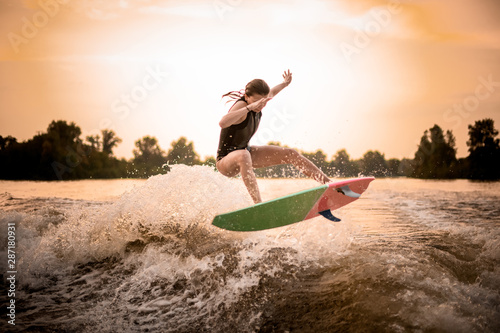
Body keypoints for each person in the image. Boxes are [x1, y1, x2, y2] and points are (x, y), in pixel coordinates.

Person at [216, 70, 331, 203]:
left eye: (264, 102)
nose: (261, 105)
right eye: (257, 102)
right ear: (247, 97)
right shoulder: (243, 106)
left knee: (291, 154)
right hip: (225, 161)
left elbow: (272, 92)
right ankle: (258, 204)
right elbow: (222, 122)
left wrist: (285, 83)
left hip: (245, 153)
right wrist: (249, 108)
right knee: (243, 155)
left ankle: (329, 184)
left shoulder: (259, 101)